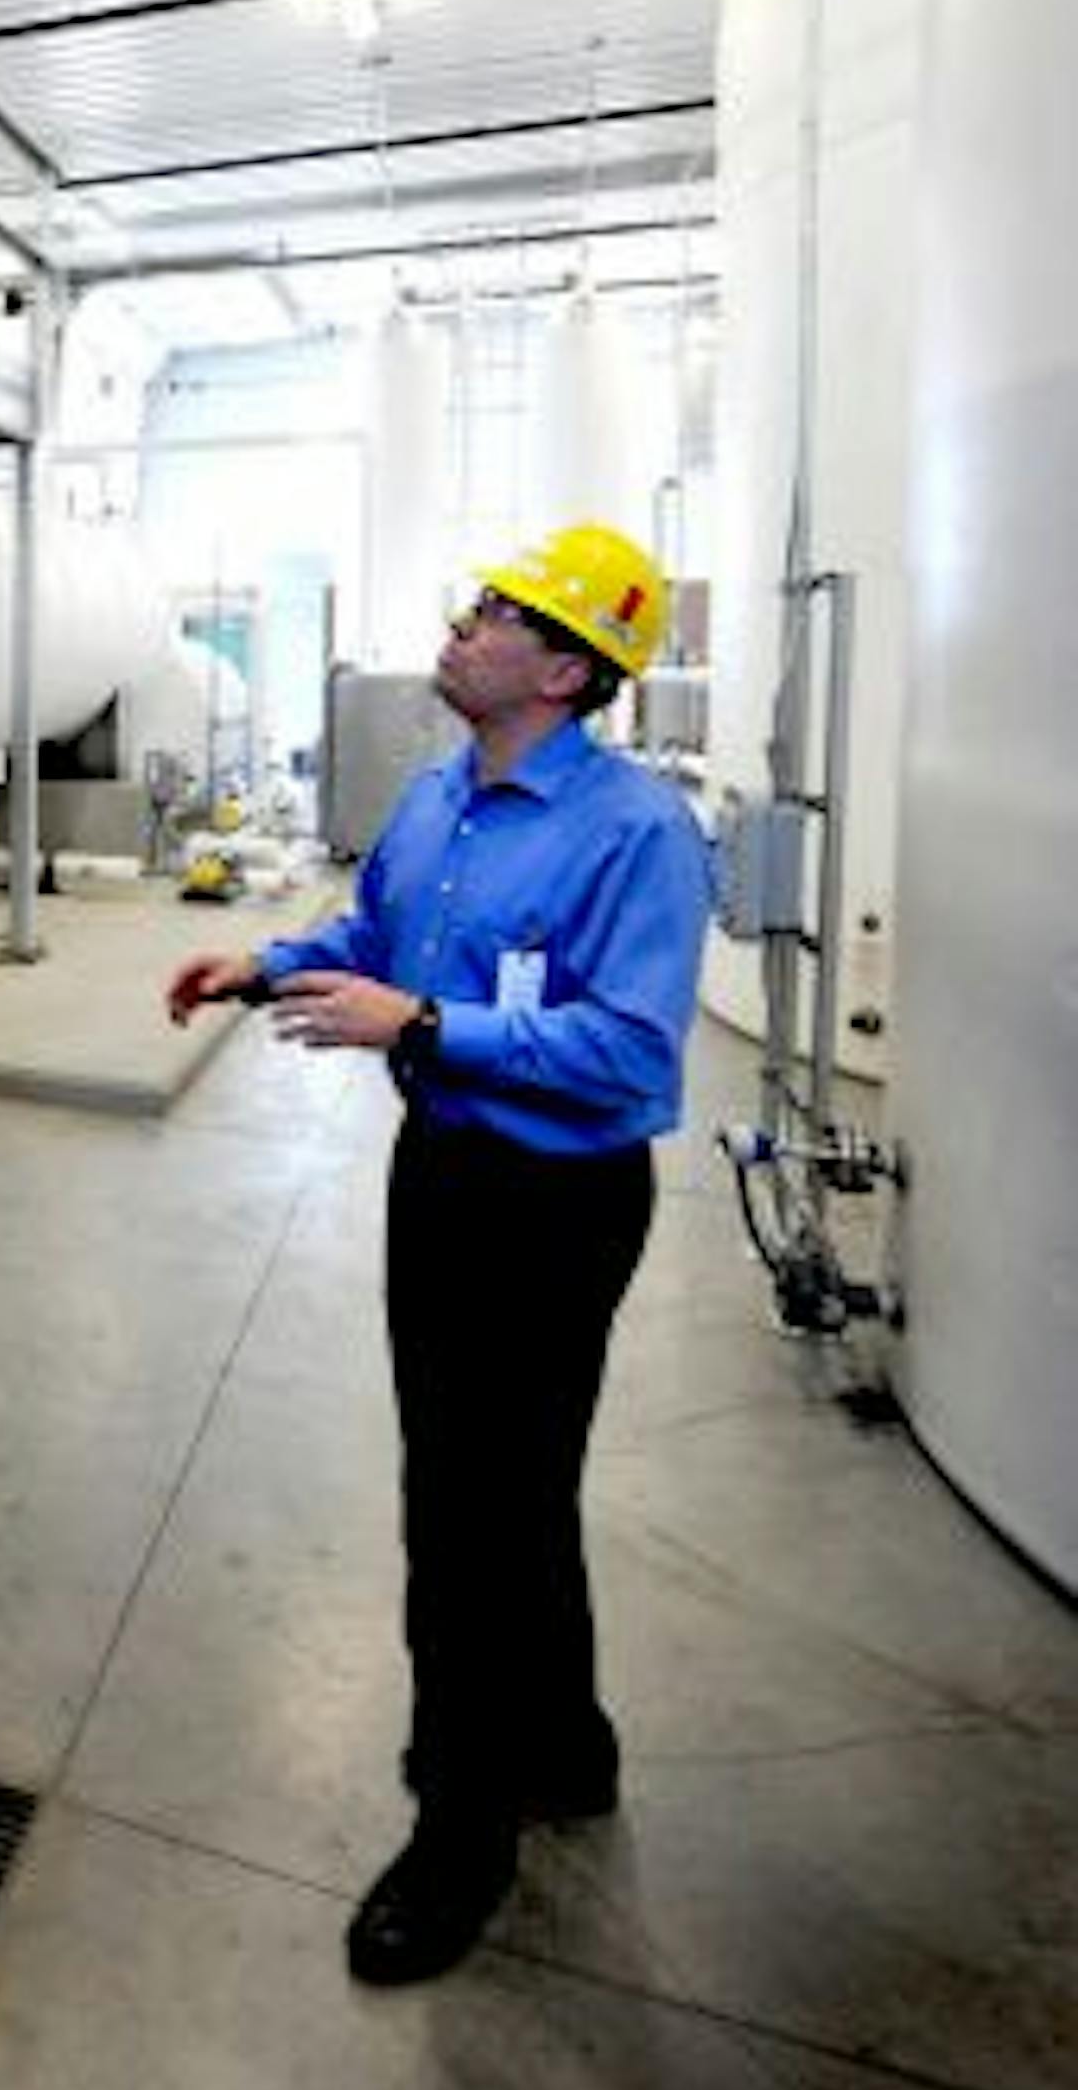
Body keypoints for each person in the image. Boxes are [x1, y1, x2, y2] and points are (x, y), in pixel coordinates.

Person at [167, 522, 712, 1987]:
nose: (460, 627)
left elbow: (628, 1050)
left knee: (473, 1508)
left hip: (556, 1201)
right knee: (506, 1490)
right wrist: (264, 965)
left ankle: (460, 1837)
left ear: (564, 665)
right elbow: (373, 927)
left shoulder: (638, 834)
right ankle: (565, 1748)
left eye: (495, 614)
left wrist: (418, 1028)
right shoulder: (436, 802)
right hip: (444, 1181)